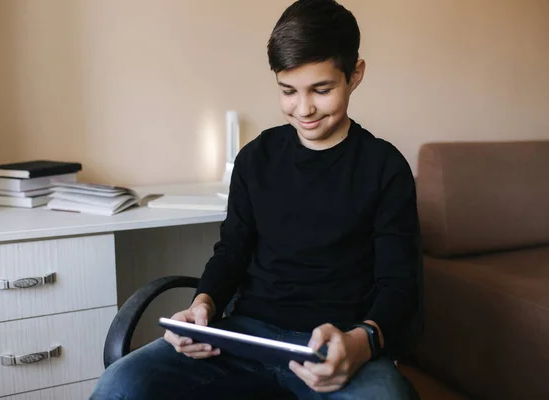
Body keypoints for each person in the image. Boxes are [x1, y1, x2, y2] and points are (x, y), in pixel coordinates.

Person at [91, 0, 420, 398]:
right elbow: (232, 251)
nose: (304, 108)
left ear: (355, 75)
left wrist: (363, 340)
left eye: (322, 89)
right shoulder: (255, 159)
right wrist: (204, 305)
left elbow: (398, 283)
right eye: (288, 91)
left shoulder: (385, 167)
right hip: (246, 337)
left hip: (334, 345)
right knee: (121, 383)